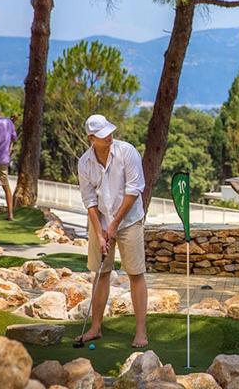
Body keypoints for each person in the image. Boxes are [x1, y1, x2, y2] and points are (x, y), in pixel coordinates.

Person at [77, 114, 148, 348]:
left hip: (129, 221)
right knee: (100, 273)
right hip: (100, 221)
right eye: (102, 134)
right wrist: (99, 234)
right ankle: (95, 328)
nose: (108, 136)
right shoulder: (84, 163)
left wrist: (114, 224)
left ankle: (141, 332)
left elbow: (134, 190)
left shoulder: (127, 152)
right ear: (91, 138)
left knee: (136, 273)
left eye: (109, 131)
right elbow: (89, 201)